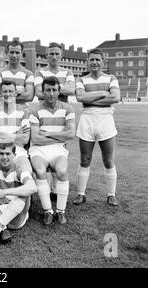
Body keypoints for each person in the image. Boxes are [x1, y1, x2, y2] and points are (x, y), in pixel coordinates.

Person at [73, 48, 120, 207]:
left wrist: (90, 98)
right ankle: (81, 194)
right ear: (87, 61)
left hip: (106, 119)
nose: (94, 62)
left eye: (97, 60)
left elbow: (115, 97)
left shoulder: (111, 78)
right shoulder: (81, 80)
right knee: (85, 159)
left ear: (103, 62)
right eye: (91, 59)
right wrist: (103, 94)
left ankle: (111, 195)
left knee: (108, 160)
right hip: (87, 119)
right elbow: (80, 97)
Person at [29, 76, 75, 225]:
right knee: (41, 172)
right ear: (42, 92)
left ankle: (61, 212)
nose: (51, 93)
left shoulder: (68, 109)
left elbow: (71, 134)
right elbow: (35, 139)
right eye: (47, 90)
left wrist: (48, 133)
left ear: (59, 91)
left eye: (54, 90)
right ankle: (48, 211)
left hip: (58, 150)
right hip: (39, 150)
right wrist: (60, 137)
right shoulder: (35, 110)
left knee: (61, 172)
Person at [33, 42, 75, 201]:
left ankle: (56, 189)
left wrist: (50, 90)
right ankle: (49, 187)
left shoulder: (68, 71)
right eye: (51, 54)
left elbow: (72, 90)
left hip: (63, 113)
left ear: (61, 55)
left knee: (60, 147)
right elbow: (38, 92)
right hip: (45, 112)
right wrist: (59, 89)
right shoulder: (39, 72)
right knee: (45, 146)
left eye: (57, 54)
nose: (54, 57)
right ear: (46, 56)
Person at [0, 81, 32, 175]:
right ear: (0, 93)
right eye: (5, 91)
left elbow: (24, 139)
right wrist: (16, 134)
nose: (8, 94)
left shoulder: (24, 113)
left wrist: (0, 134)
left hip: (18, 151)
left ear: (16, 93)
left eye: (10, 91)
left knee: (27, 172)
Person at [0, 39, 34, 104]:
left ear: (22, 53)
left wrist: (6, 95)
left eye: (17, 52)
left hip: (22, 110)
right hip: (4, 110)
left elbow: (29, 96)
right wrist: (18, 94)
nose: (14, 55)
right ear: (7, 53)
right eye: (12, 52)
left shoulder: (28, 74)